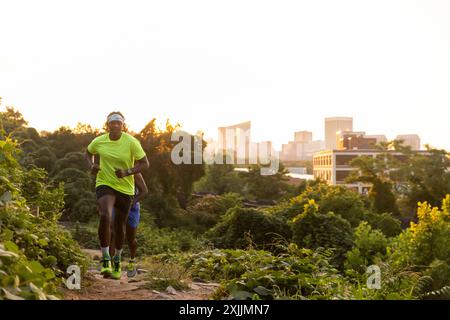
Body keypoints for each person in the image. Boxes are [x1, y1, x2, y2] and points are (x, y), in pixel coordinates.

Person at [85, 112, 149, 280]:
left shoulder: (131, 142)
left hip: (125, 188)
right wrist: (91, 165)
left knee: (120, 227)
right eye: (112, 123)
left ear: (123, 126)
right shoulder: (99, 141)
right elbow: (87, 152)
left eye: (118, 123)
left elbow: (145, 163)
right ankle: (106, 259)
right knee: (105, 215)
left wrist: (127, 172)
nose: (115, 125)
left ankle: (118, 261)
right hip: (105, 183)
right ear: (107, 125)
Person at [109, 173, 148, 278]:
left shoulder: (135, 173)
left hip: (132, 208)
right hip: (117, 206)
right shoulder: (112, 170)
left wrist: (131, 202)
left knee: (131, 239)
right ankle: (113, 266)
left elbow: (144, 191)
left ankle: (132, 261)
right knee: (114, 233)